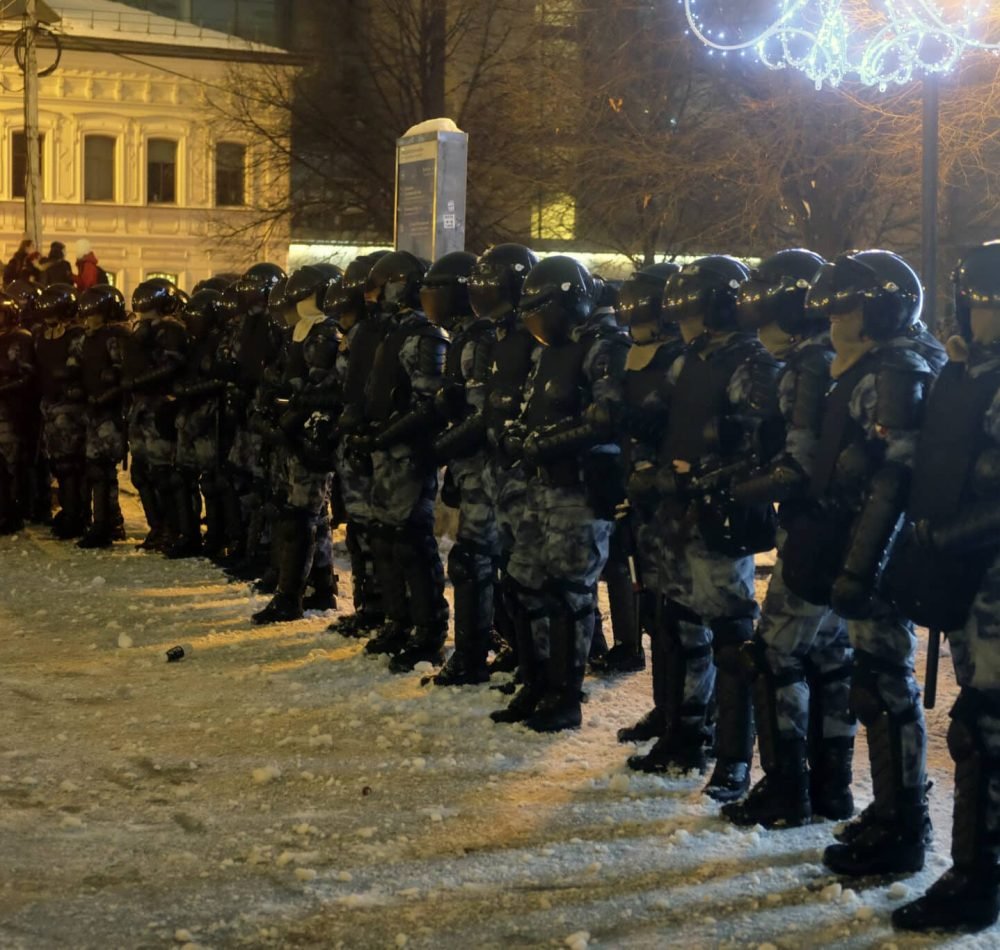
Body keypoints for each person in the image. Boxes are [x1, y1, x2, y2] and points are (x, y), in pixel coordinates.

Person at [779, 250, 945, 876]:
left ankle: (905, 825)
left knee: (885, 686)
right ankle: (890, 811)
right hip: (856, 542)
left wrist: (861, 567)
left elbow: (892, 480)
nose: (831, 321)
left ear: (874, 310)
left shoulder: (894, 371)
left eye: (842, 309)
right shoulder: (873, 363)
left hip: (877, 553)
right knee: (873, 681)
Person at [626, 256, 782, 803]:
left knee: (730, 637)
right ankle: (683, 732)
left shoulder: (752, 362)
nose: (681, 322)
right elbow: (659, 414)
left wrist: (698, 480)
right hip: (674, 514)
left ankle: (733, 758)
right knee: (675, 624)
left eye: (689, 311)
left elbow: (759, 446)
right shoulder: (690, 358)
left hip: (719, 517)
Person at [717, 249, 856, 828]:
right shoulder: (850, 359)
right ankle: (833, 790)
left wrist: (730, 488)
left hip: (814, 531)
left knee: (774, 657)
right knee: (830, 659)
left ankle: (787, 790)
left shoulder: (807, 364)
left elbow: (797, 466)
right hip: (852, 534)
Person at [886, 242, 1000, 932]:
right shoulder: (969, 374)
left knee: (986, 732)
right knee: (980, 727)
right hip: (972, 582)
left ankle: (978, 883)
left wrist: (947, 536)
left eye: (982, 306)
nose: (970, 316)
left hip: (989, 574)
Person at [492, 256, 628, 732]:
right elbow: (535, 407)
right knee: (523, 586)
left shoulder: (604, 347)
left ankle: (565, 697)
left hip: (578, 490)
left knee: (569, 597)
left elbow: (607, 418)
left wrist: (545, 443)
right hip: (535, 488)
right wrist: (515, 436)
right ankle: (535, 684)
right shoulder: (549, 350)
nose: (534, 323)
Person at [360, 250, 451, 673]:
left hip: (410, 453)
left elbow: (430, 404)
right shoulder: (389, 332)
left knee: (413, 541)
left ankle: (429, 631)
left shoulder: (425, 336)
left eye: (381, 286)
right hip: (385, 452)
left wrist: (391, 433)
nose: (374, 295)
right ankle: (399, 621)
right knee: (384, 537)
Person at [252, 264, 342, 624]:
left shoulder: (328, 333)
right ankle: (320, 586)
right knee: (308, 514)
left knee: (301, 516)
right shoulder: (302, 332)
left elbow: (320, 387)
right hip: (293, 432)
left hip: (313, 434)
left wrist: (289, 421)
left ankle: (291, 597)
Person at [324, 251, 390, 637]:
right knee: (359, 532)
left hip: (375, 444)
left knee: (377, 535)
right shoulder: (360, 335)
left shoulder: (379, 334)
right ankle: (369, 607)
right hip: (355, 443)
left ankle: (382, 609)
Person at [123, 278, 187, 551]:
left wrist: (139, 382)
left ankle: (172, 529)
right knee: (141, 472)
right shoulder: (142, 329)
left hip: (160, 405)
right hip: (142, 407)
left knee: (162, 473)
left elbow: (172, 364)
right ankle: (157, 527)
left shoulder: (170, 328)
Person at [77, 285, 130, 548]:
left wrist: (107, 393)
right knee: (97, 469)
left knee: (102, 468)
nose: (90, 318)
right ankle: (108, 521)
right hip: (93, 409)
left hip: (110, 410)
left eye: (95, 313)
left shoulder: (114, 337)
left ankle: (105, 524)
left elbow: (124, 374)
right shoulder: (89, 338)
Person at [35, 283, 89, 538]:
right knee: (58, 463)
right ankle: (69, 511)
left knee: (71, 464)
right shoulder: (42, 335)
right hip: (50, 405)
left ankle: (76, 514)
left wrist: (68, 375)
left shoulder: (76, 333)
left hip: (70, 407)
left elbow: (79, 365)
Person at [0, 292, 35, 533]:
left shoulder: (20, 338)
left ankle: (13, 512)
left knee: (11, 462)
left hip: (10, 410)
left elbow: (27, 375)